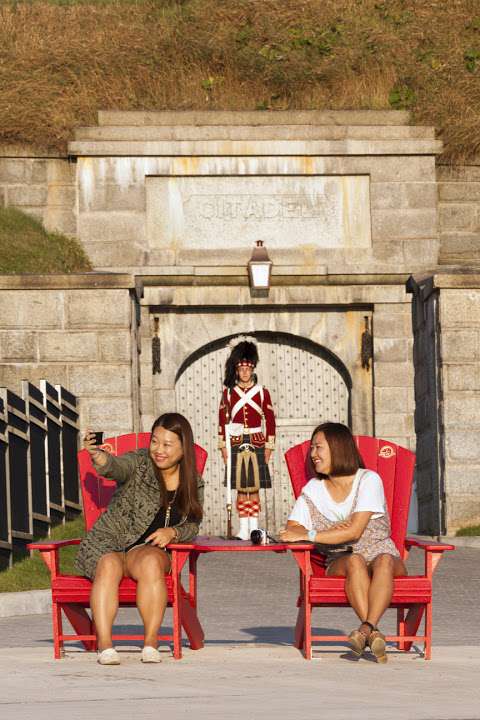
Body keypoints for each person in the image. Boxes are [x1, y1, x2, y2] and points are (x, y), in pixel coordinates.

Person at [75, 413, 204, 665]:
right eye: (154, 442)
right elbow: (114, 466)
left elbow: (193, 524)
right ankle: (105, 645)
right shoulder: (139, 463)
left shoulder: (192, 483)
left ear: (183, 447)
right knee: (108, 565)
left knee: (151, 563)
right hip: (109, 540)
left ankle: (150, 642)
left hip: (147, 549)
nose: (158, 450)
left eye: (167, 444)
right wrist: (97, 455)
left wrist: (173, 533)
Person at [280, 422, 406, 663]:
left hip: (382, 551)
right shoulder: (314, 489)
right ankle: (372, 632)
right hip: (341, 559)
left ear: (338, 448)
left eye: (319, 448)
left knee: (385, 561)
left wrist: (314, 533)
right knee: (355, 561)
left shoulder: (368, 480)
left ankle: (366, 630)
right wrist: (322, 531)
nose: (313, 455)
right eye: (311, 449)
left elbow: (355, 531)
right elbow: (291, 528)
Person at [218, 337, 276, 540]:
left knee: (255, 486)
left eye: (248, 368)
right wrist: (223, 448)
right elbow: (221, 423)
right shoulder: (228, 394)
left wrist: (269, 448)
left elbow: (270, 421)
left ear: (253, 369)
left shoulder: (262, 393)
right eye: (241, 368)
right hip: (235, 442)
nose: (244, 372)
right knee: (241, 487)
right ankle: (243, 528)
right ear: (236, 370)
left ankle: (254, 526)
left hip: (256, 440)